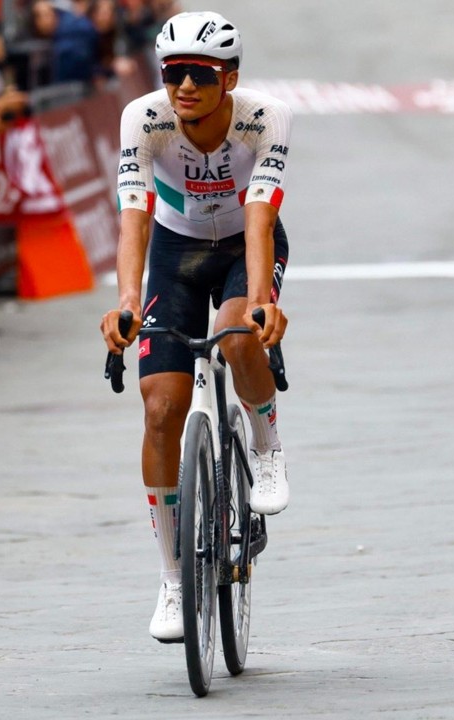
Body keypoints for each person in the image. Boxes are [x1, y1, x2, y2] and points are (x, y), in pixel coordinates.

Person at [100, 11, 292, 642]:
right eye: (172, 72)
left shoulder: (265, 119)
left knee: (238, 332)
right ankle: (174, 578)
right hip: (174, 255)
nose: (183, 86)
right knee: (160, 409)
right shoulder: (144, 118)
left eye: (199, 74)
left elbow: (260, 218)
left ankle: (266, 450)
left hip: (244, 247)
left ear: (229, 79)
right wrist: (128, 298)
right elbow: (134, 215)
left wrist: (262, 297)